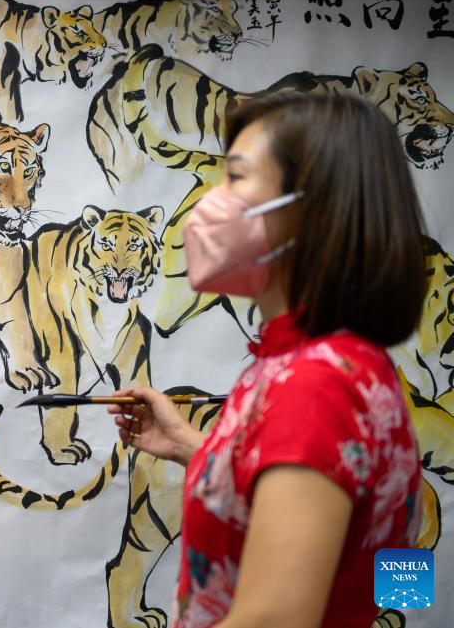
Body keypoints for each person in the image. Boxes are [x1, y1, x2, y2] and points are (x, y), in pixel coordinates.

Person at [108, 92, 426, 628]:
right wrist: (190, 446)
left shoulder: (316, 384)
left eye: (236, 177)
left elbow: (276, 618)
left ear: (313, 208)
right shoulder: (334, 364)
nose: (211, 202)